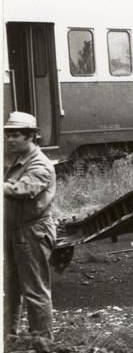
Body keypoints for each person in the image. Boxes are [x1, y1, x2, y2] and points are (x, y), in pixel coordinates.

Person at [4, 111, 56, 339]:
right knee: (10, 288)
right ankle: (8, 337)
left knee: (34, 290)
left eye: (15, 135)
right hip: (14, 230)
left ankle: (43, 343)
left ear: (30, 137)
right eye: (8, 135)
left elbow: (23, 190)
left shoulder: (40, 164)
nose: (9, 140)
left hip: (32, 232)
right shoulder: (18, 159)